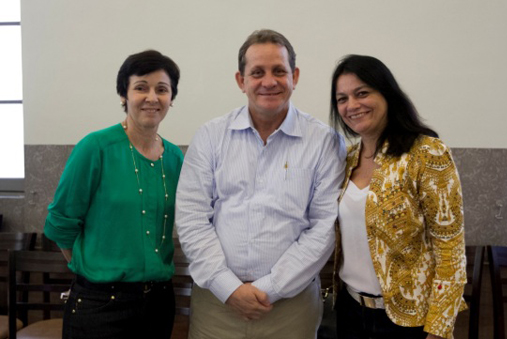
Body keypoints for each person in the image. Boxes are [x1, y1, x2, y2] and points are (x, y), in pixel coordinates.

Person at [175, 29, 345, 339]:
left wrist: (270, 288)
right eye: (257, 73)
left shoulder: (324, 142)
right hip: (217, 304)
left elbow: (324, 227)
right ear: (241, 80)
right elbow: (191, 218)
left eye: (279, 71)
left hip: (291, 308)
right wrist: (229, 288)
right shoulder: (211, 136)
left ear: (294, 76)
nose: (269, 81)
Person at [44, 50, 184, 339]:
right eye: (140, 87)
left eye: (162, 89)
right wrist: (91, 267)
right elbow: (60, 223)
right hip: (99, 305)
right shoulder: (95, 148)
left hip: (158, 302)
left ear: (171, 98)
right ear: (124, 95)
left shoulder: (175, 158)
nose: (152, 97)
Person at [329, 54, 467, 339]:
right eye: (342, 99)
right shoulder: (346, 158)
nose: (352, 105)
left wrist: (439, 329)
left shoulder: (426, 153)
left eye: (362, 93)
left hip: (408, 321)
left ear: (387, 93)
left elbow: (450, 250)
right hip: (350, 310)